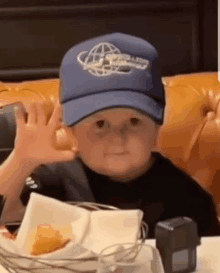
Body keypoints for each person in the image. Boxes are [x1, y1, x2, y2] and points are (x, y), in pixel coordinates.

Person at [0, 33, 219, 239]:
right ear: (71, 134)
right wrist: (22, 162)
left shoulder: (184, 195)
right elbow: (6, 212)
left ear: (156, 131)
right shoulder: (55, 179)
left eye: (134, 122)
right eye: (100, 124)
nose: (117, 138)